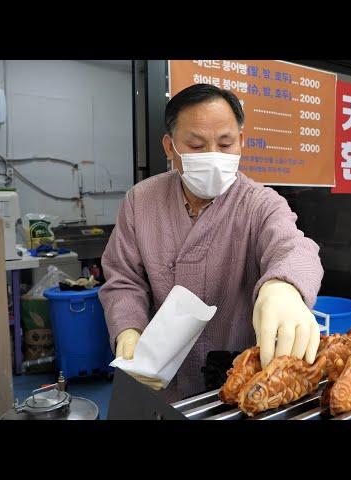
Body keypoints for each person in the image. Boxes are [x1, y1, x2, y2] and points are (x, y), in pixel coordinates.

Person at [99, 83, 324, 402]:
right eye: (196, 145)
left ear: (241, 142)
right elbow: (123, 280)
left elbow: (294, 247)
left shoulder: (260, 204)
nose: (213, 157)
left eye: (225, 143)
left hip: (239, 381)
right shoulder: (142, 201)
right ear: (170, 146)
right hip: (160, 378)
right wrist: (128, 330)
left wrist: (283, 287)